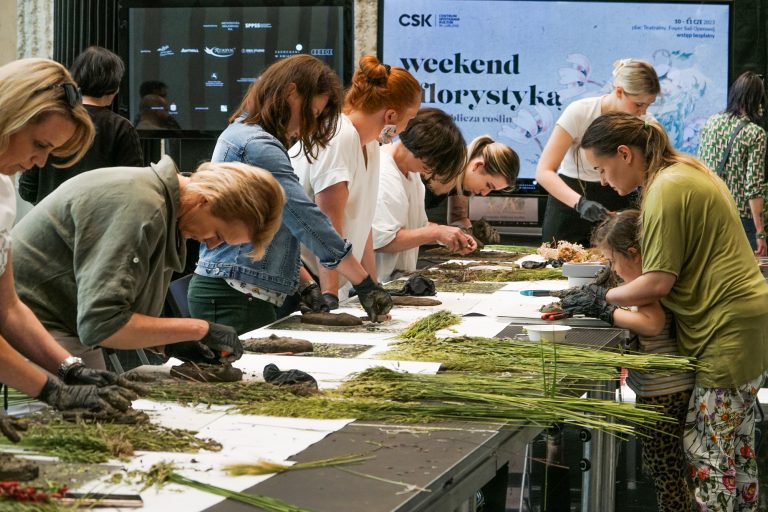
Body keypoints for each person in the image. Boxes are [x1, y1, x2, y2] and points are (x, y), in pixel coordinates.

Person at [578, 111, 768, 511]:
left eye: (602, 168)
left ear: (625, 154)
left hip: (726, 328)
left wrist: (602, 301)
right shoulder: (682, 170)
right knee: (738, 451)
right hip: (744, 322)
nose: (603, 181)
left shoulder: (666, 186)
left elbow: (658, 282)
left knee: (709, 454)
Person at [13, 155, 285, 369]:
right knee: (94, 414)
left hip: (60, 320)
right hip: (26, 321)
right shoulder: (144, 208)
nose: (211, 244)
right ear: (206, 200)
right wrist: (198, 328)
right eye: (217, 234)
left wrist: (171, 344)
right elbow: (103, 324)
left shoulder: (162, 207)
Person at [188, 54, 393, 334]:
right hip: (233, 293)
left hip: (241, 289)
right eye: (314, 112)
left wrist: (306, 283)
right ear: (290, 92)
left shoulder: (246, 135)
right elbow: (305, 219)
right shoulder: (257, 146)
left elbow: (274, 229)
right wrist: (364, 283)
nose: (312, 123)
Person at [0, 58, 140, 427]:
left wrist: (70, 369)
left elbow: (8, 307)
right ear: (10, 116)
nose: (40, 161)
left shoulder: (3, 190)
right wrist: (51, 389)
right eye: (39, 144)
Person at [560, 210, 695, 511]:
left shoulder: (648, 283)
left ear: (633, 253)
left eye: (614, 261)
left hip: (664, 390)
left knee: (666, 472)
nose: (614, 269)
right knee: (666, 466)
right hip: (661, 388)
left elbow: (652, 324)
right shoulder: (652, 276)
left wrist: (607, 310)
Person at [291, 55, 421, 304]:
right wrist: (328, 297)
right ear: (391, 116)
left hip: (329, 276)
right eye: (410, 118)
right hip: (305, 282)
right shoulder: (339, 136)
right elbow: (327, 226)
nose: (406, 128)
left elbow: (363, 228)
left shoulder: (371, 145)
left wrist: (373, 288)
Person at [536, 58, 660, 246]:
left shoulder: (646, 124)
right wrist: (580, 203)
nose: (643, 113)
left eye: (648, 106)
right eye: (638, 104)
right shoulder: (580, 112)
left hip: (620, 196)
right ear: (619, 92)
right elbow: (544, 171)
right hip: (571, 196)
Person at [19, 46, 143, 205]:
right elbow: (134, 190)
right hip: (100, 227)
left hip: (50, 224)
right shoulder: (121, 128)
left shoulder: (52, 121)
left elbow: (27, 189)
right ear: (114, 85)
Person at [372, 108, 475, 282]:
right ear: (422, 147)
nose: (433, 169)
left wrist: (448, 236)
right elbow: (383, 240)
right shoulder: (383, 173)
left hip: (396, 282)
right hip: (375, 285)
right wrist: (436, 232)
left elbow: (414, 228)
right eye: (432, 162)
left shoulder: (412, 175)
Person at [697, 71, 767, 256]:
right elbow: (753, 186)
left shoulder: (711, 122)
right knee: (745, 277)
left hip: (708, 211)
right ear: (758, 100)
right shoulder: (755, 133)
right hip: (739, 218)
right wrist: (760, 231)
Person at [425, 135, 520, 244]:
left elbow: (458, 218)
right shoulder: (426, 169)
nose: (484, 194)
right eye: (488, 185)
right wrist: (438, 231)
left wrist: (468, 235)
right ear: (477, 166)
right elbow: (405, 226)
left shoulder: (465, 184)